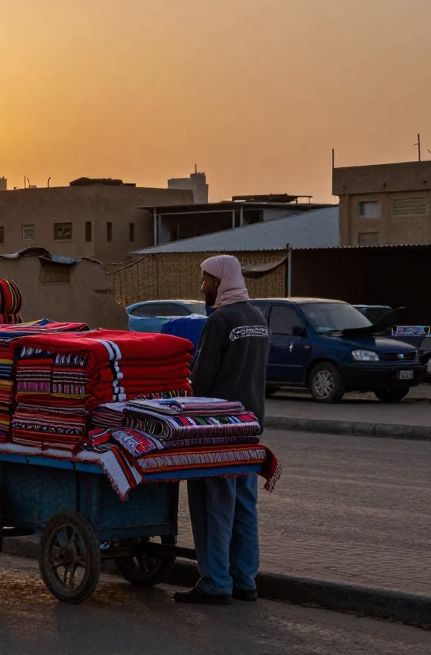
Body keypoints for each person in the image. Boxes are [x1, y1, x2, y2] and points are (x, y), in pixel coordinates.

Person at [176, 254, 269, 606]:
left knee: (213, 504)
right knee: (245, 505)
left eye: (205, 280)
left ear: (219, 281)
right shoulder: (257, 318)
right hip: (250, 426)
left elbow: (200, 382)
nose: (203, 287)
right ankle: (245, 580)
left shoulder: (219, 321)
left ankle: (215, 581)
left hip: (217, 428)